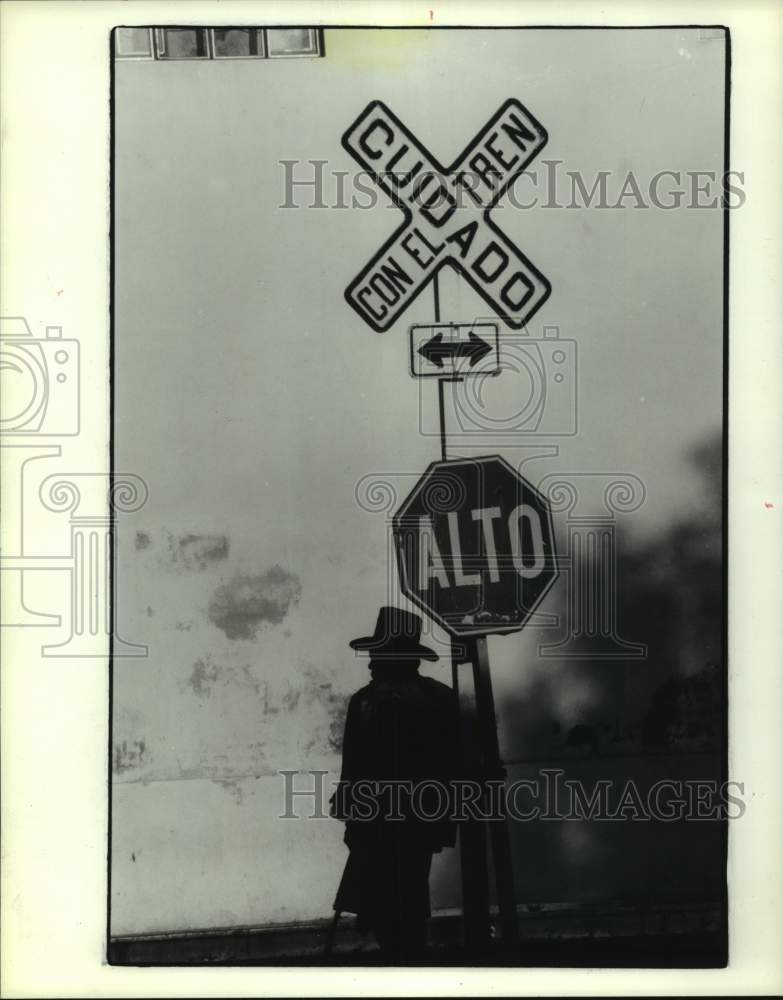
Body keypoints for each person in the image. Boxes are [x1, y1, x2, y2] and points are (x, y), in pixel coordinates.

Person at [330, 606, 460, 961]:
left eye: (379, 654)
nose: (371, 662)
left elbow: (355, 767)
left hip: (393, 820)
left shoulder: (371, 701)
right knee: (403, 896)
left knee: (390, 900)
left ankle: (404, 961)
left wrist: (354, 817)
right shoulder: (437, 698)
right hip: (414, 819)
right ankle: (406, 958)